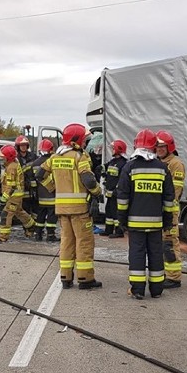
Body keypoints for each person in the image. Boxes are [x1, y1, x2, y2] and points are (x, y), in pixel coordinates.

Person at [37, 123, 103, 290]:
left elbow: (39, 174)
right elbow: (88, 180)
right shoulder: (79, 157)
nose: (86, 142)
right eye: (85, 139)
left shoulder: (55, 157)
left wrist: (53, 188)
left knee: (66, 242)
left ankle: (66, 278)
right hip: (80, 209)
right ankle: (85, 278)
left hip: (62, 208)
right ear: (78, 139)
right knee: (84, 242)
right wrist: (97, 192)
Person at [116, 129, 177, 300]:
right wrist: (167, 220)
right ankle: (157, 290)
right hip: (156, 223)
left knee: (137, 254)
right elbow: (168, 198)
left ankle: (138, 290)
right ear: (154, 146)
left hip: (135, 224)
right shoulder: (162, 168)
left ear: (136, 145)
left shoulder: (130, 167)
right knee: (156, 253)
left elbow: (122, 197)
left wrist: (121, 220)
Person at [155, 130, 185, 288]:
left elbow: (175, 191)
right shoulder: (158, 162)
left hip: (170, 212)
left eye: (162, 146)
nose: (159, 149)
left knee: (169, 243)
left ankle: (174, 278)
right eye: (157, 146)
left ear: (169, 147)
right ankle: (167, 273)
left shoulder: (175, 164)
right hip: (158, 211)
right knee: (161, 244)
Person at [0, 145, 36, 242]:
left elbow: (11, 186)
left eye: (3, 158)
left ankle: (3, 236)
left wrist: (4, 198)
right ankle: (31, 226)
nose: (2, 160)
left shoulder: (11, 167)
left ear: (8, 157)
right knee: (19, 212)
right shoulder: (12, 164)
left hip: (13, 196)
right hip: (16, 196)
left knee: (6, 215)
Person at [30, 139, 58, 242]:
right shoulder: (53, 161)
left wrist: (35, 192)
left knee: (40, 215)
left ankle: (38, 234)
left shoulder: (35, 163)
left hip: (40, 195)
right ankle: (50, 235)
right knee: (51, 216)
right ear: (51, 149)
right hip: (52, 194)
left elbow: (32, 181)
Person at [101, 139, 128, 238]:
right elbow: (107, 169)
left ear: (118, 149)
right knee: (109, 211)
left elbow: (122, 179)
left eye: (113, 148)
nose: (111, 150)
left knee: (116, 213)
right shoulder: (113, 161)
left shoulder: (123, 163)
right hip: (110, 193)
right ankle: (108, 230)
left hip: (117, 194)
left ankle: (119, 231)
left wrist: (117, 190)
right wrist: (102, 169)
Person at [15, 135, 39, 215]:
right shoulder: (15, 158)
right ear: (18, 146)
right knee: (25, 210)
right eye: (21, 145)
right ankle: (27, 227)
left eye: (25, 145)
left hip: (33, 189)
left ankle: (35, 226)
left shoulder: (33, 156)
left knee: (36, 209)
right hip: (22, 188)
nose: (23, 147)